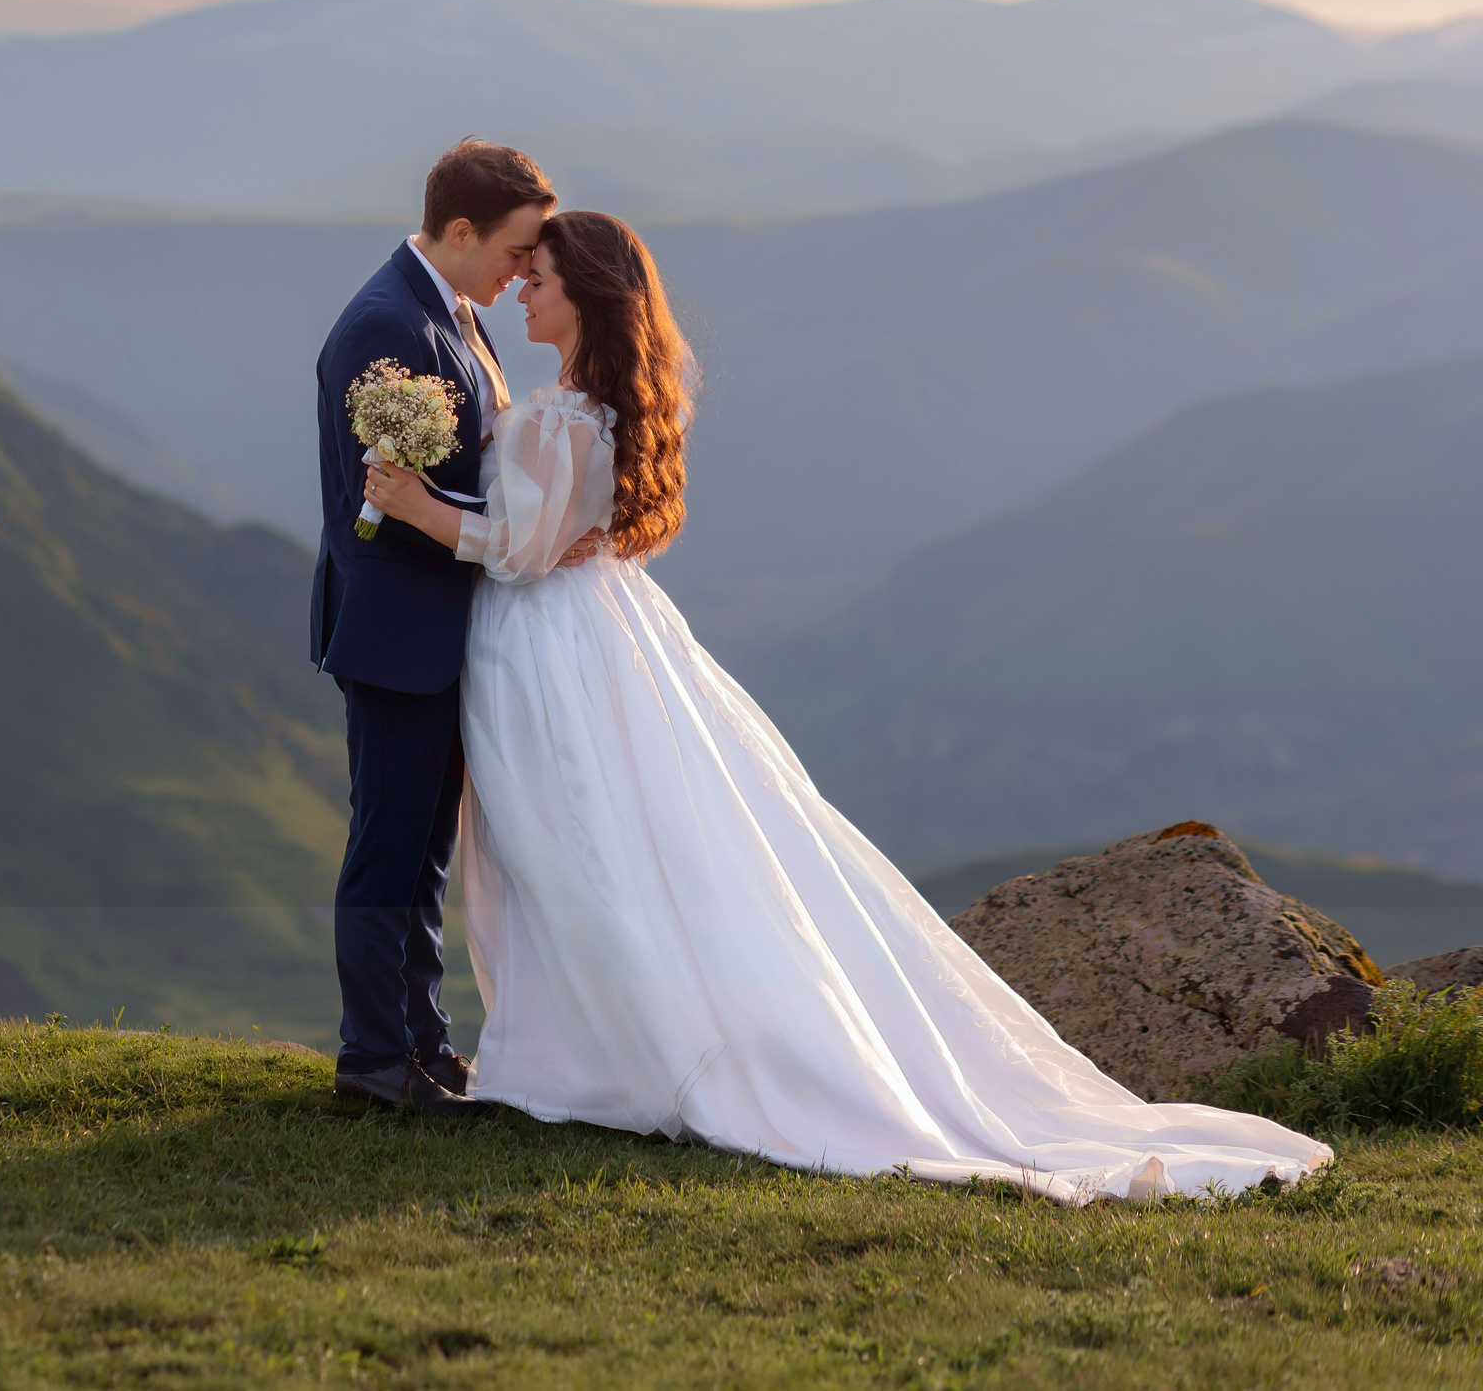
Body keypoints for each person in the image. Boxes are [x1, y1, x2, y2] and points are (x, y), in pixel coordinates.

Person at [357, 209, 1329, 1200]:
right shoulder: (598, 404)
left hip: (550, 648)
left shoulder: (563, 414)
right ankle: (586, 1055)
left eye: (542, 277)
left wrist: (413, 503)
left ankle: (604, 1061)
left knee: (567, 843)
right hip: (596, 633)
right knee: (593, 842)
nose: (521, 287)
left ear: (589, 295)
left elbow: (518, 551)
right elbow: (547, 532)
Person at [311, 139, 552, 1115]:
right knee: (388, 850)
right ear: (460, 230)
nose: (524, 272)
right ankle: (372, 1057)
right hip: (400, 635)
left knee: (423, 858)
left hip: (440, 637)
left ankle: (424, 1045)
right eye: (517, 249)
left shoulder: (447, 311)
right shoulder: (385, 323)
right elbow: (391, 497)